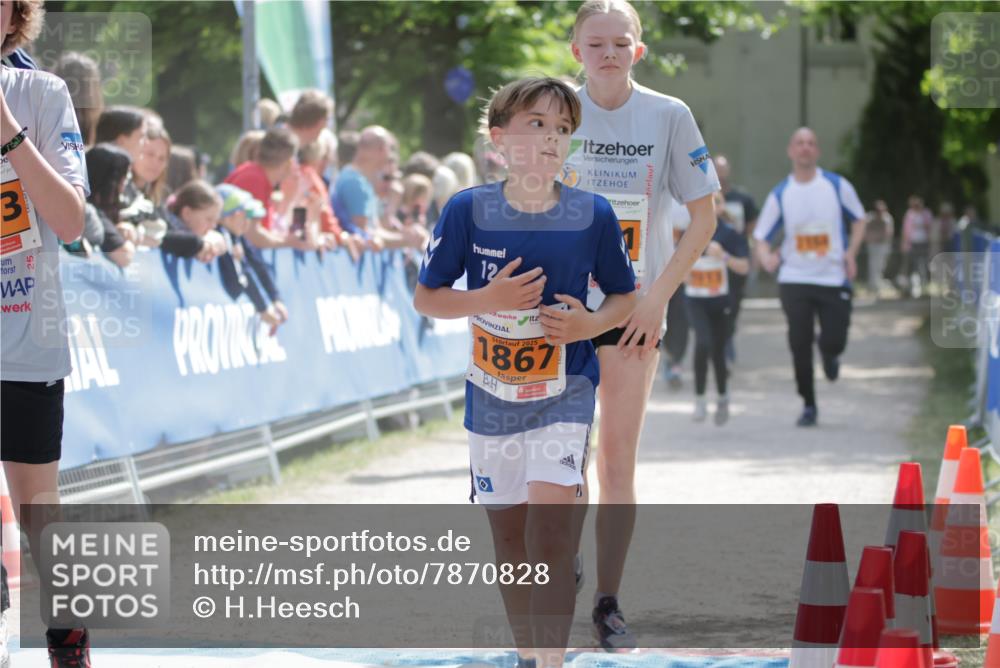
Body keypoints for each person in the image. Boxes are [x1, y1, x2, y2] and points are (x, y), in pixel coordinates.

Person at [414, 77, 637, 668]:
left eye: (562, 130)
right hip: (491, 399)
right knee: (510, 543)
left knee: (550, 536)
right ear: (499, 140)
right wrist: (489, 297)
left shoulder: (593, 214)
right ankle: (526, 653)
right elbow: (428, 298)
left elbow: (623, 298)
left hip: (565, 393)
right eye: (536, 125)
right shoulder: (467, 209)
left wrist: (589, 326)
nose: (550, 140)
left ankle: (551, 662)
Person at [564, 0, 719, 650]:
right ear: (576, 50)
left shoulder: (668, 114)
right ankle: (557, 575)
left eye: (619, 43)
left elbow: (704, 217)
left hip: (632, 313)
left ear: (638, 50)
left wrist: (657, 298)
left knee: (616, 462)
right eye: (595, 43)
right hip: (561, 315)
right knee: (559, 460)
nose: (607, 53)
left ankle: (607, 600)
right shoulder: (552, 109)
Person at [1, 1, 93, 664]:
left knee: (40, 510)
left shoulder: (40, 93)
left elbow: (71, 220)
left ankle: (69, 647)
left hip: (24, 332)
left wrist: (8, 133)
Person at [753, 127, 866, 427]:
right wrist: (766, 257)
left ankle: (830, 355)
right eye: (800, 143)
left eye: (811, 143)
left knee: (834, 340)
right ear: (791, 150)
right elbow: (761, 236)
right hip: (795, 278)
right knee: (799, 342)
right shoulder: (781, 193)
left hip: (832, 277)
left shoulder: (836, 185)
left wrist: (851, 253)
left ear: (817, 151)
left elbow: (859, 220)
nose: (805, 148)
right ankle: (809, 404)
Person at [685, 191, 749, 424]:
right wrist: (685, 276)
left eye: (717, 202)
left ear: (722, 207)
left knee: (718, 351)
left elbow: (744, 267)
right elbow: (675, 266)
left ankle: (722, 395)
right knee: (703, 343)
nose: (712, 205)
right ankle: (700, 399)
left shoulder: (730, 234)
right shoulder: (690, 231)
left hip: (721, 302)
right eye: (708, 201)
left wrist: (723, 257)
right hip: (695, 300)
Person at [333, 126, 425, 250]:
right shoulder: (354, 182)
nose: (390, 155)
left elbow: (375, 230)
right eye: (390, 149)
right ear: (382, 149)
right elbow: (365, 233)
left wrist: (406, 236)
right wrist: (407, 240)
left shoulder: (361, 181)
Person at [214, 185, 285, 333]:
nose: (249, 222)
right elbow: (240, 275)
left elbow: (257, 264)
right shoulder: (222, 236)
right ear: (230, 216)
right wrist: (263, 308)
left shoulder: (237, 235)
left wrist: (275, 298)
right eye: (245, 216)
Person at [712, 155, 758, 366]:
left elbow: (751, 229)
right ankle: (721, 345)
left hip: (735, 258)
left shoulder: (743, 199)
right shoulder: (705, 195)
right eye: (716, 168)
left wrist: (752, 255)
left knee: (733, 306)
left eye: (723, 168)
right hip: (712, 265)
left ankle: (727, 337)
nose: (720, 172)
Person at [84, 143, 136, 268]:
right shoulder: (90, 212)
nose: (125, 185)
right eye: (124, 178)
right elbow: (124, 256)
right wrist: (131, 240)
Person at [901, 194, 933, 298]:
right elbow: (906, 230)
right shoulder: (909, 214)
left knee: (924, 265)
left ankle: (924, 288)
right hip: (913, 243)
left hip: (923, 242)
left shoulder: (926, 213)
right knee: (913, 266)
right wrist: (905, 243)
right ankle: (914, 289)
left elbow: (929, 226)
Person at [864, 199, 894, 296]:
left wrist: (877, 237)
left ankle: (877, 286)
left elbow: (888, 233)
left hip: (883, 246)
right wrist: (873, 238)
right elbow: (865, 232)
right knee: (873, 265)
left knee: (881, 266)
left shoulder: (887, 218)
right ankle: (873, 287)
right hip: (873, 246)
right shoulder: (869, 218)